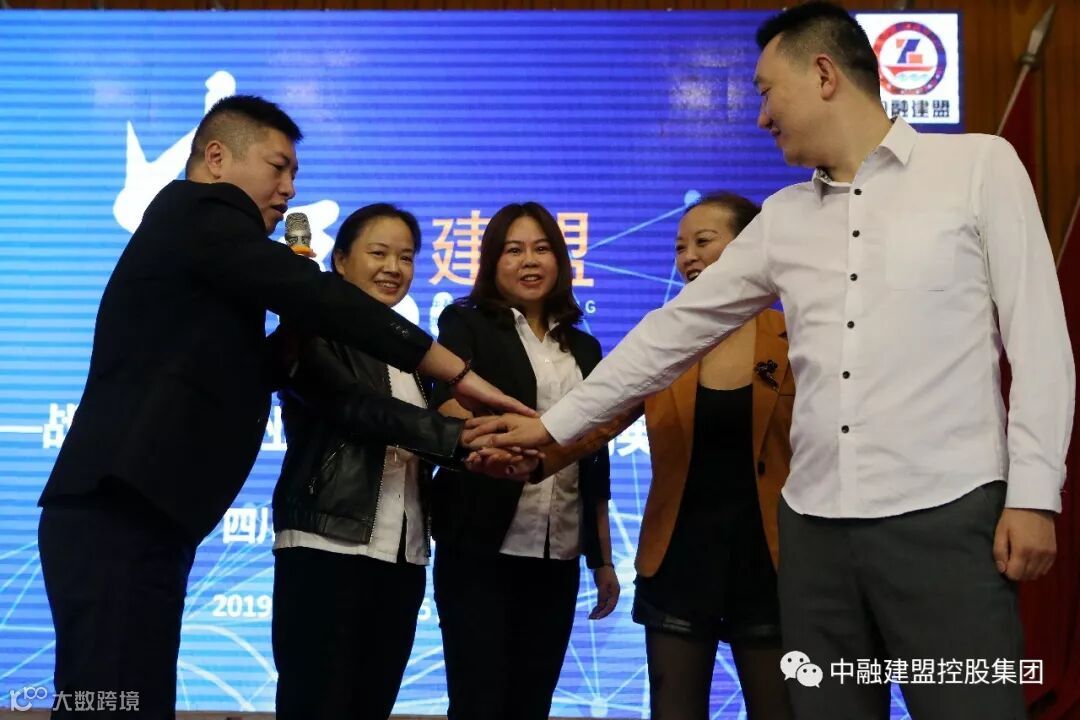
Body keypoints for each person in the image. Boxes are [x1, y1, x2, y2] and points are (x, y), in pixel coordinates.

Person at [468, 4, 1074, 719]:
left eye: (765, 91)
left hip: (946, 517)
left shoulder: (976, 167)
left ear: (823, 74)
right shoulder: (784, 216)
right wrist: (552, 426)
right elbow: (673, 333)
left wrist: (1034, 495)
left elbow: (1040, 340)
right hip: (812, 536)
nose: (760, 116)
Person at [36, 95, 530, 719]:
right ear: (218, 158)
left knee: (130, 695)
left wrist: (293, 334)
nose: (289, 189)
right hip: (117, 507)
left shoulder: (208, 254)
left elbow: (248, 369)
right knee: (109, 698)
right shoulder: (199, 211)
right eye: (278, 167)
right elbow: (326, 306)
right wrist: (459, 374)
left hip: (145, 512)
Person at [270, 203, 535, 720]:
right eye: (379, 253)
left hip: (401, 555)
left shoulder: (410, 356)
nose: (394, 268)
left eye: (407, 257)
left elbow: (416, 439)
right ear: (340, 261)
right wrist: (461, 438)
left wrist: (481, 455)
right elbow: (363, 411)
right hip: (327, 545)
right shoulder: (310, 333)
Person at [431, 202, 620, 720]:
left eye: (541, 248)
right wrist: (489, 440)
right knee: (478, 701)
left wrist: (602, 559)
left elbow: (594, 456)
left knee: (532, 701)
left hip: (557, 553)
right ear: (493, 261)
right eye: (513, 250)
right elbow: (446, 402)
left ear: (560, 259)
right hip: (480, 546)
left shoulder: (585, 348)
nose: (529, 261)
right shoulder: (467, 323)